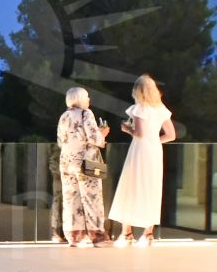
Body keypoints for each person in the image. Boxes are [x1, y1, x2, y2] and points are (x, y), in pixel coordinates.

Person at [109, 75, 175, 246]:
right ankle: (148, 234)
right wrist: (154, 142)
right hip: (155, 152)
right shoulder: (161, 109)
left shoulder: (139, 108)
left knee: (130, 186)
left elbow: (139, 134)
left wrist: (127, 129)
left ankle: (127, 234)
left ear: (138, 91)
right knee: (151, 189)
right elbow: (171, 135)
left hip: (139, 151)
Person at [56, 87, 110, 247]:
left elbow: (60, 141)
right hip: (85, 162)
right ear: (81, 99)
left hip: (66, 162)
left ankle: (74, 236)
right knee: (92, 198)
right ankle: (97, 237)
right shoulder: (86, 113)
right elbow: (94, 137)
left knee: (71, 199)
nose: (89, 99)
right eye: (87, 97)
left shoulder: (64, 116)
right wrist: (103, 133)